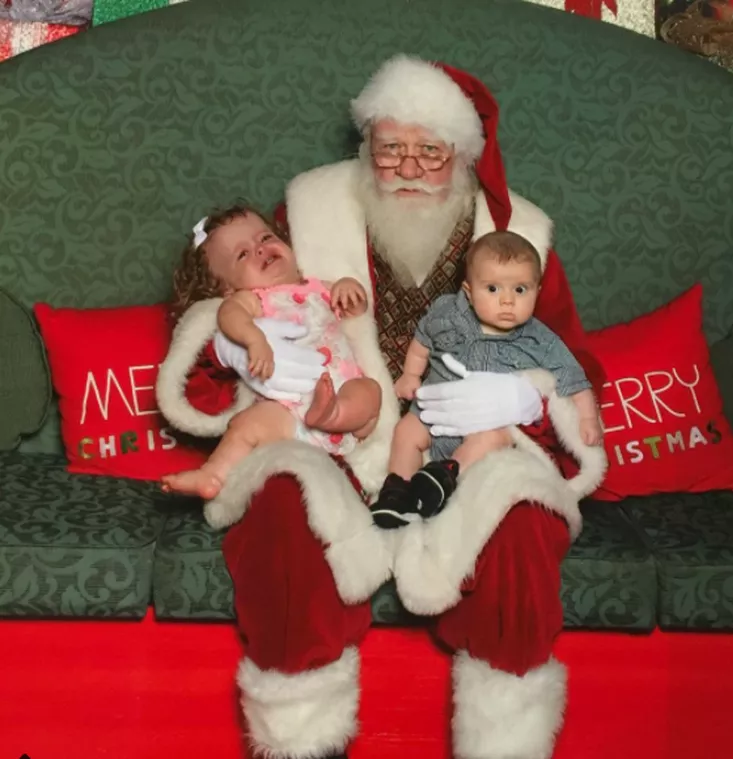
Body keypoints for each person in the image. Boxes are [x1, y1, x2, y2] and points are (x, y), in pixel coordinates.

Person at [157, 55, 607, 759]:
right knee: (281, 501)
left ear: (462, 156)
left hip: (470, 443)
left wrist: (527, 398)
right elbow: (236, 296)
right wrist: (249, 357)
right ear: (365, 147)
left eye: (430, 151)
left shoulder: (524, 236)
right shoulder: (309, 209)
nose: (407, 167)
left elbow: (572, 359)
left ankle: (506, 743)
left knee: (523, 519)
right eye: (389, 147)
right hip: (324, 433)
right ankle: (303, 742)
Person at [371, 229, 602, 528]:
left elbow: (573, 378)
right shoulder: (448, 314)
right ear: (468, 291)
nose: (507, 301)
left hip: (484, 426)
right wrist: (410, 374)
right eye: (493, 289)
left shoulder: (540, 339)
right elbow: (423, 339)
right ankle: (396, 493)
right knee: (406, 431)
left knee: (495, 439)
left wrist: (587, 418)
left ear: (537, 290)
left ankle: (444, 477)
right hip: (432, 415)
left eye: (520, 290)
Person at [160, 204, 381, 500]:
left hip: (342, 394)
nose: (260, 250)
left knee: (370, 391)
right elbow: (229, 317)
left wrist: (349, 288)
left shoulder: (318, 287)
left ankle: (331, 413)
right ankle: (213, 474)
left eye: (264, 238)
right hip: (286, 412)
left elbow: (356, 309)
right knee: (246, 426)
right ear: (225, 288)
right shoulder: (251, 300)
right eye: (243, 254)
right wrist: (253, 339)